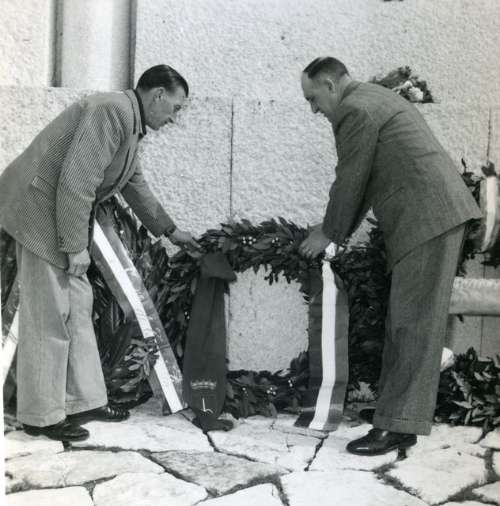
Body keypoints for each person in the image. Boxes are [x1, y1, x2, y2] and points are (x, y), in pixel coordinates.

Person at [0, 64, 200, 442]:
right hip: (38, 213)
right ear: (157, 95)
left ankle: (83, 401)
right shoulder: (112, 111)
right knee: (49, 313)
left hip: (56, 214)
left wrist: (172, 231)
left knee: (78, 305)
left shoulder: (129, 120)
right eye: (175, 108)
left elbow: (134, 184)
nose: (175, 118)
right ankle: (41, 416)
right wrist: (75, 247)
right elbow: (77, 183)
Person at [299, 57, 482, 455]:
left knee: (412, 324)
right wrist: (333, 227)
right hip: (431, 216)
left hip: (427, 219)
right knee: (406, 320)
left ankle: (396, 425)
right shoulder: (371, 98)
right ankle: (398, 415)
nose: (313, 109)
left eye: (313, 98)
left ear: (330, 85)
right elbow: (363, 181)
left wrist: (329, 232)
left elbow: (350, 178)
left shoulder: (354, 109)